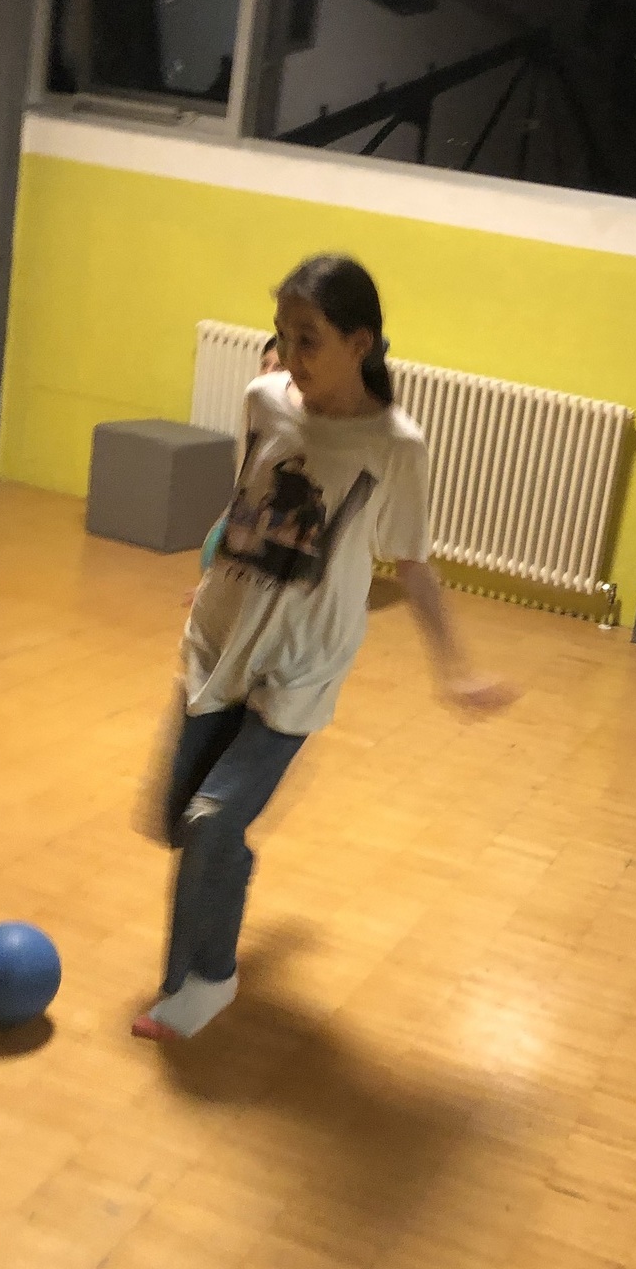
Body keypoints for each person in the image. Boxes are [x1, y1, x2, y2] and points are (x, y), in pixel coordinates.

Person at [134, 254, 511, 1042]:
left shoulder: (395, 445)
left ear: (359, 343)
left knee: (211, 819)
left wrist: (455, 670)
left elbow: (413, 563)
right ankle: (225, 878)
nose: (289, 355)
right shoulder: (263, 400)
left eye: (308, 339)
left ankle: (205, 980)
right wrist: (212, 577)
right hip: (220, 638)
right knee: (177, 822)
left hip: (302, 663)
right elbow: (244, 499)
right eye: (282, 335)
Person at [197, 336, 282, 577]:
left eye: (278, 368)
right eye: (264, 365)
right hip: (250, 511)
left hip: (275, 523)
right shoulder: (255, 411)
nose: (267, 374)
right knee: (213, 552)